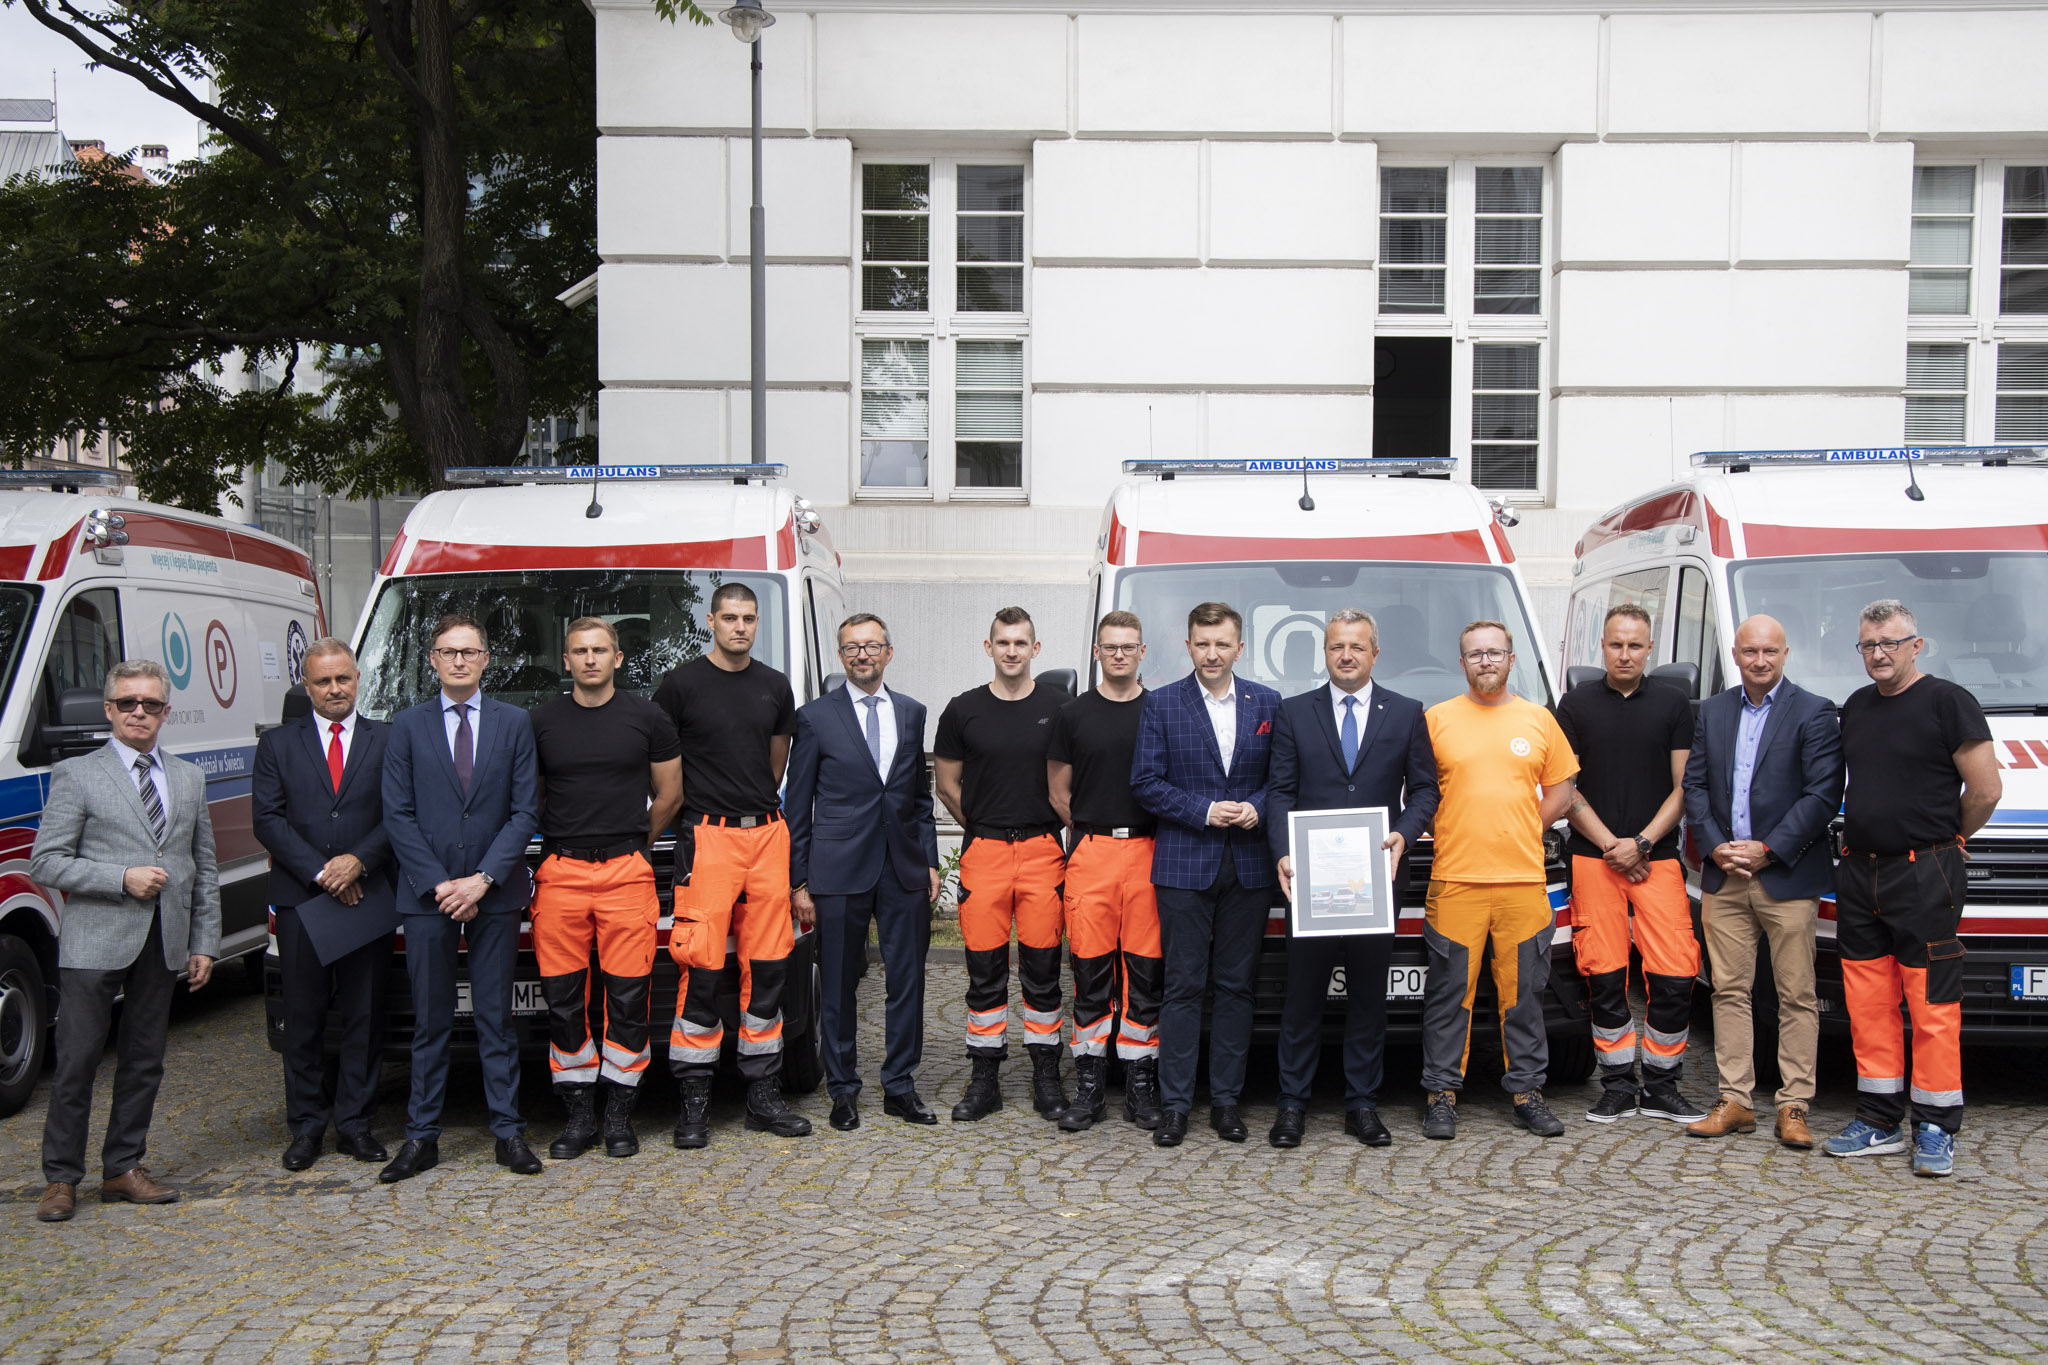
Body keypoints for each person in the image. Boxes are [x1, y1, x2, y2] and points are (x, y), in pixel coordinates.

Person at [33, 660, 218, 1223]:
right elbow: (47, 862)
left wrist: (204, 941)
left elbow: (202, 868)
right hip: (95, 941)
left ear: (166, 712)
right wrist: (121, 877)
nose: (140, 712)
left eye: (151, 704)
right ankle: (61, 1178)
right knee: (76, 1062)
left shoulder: (188, 777)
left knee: (143, 1062)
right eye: (129, 703)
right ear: (109, 709)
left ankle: (123, 1167)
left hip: (163, 941)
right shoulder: (77, 774)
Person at [1824, 599, 2000, 1175]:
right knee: (1868, 1002)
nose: (1879, 654)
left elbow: (1986, 790)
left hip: (1925, 872)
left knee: (1932, 1003)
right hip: (1859, 872)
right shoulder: (1856, 706)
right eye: (1868, 645)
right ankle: (1878, 1120)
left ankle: (1936, 1126)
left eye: (1890, 643)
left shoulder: (1949, 702)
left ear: (1916, 645)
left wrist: (1946, 839)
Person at [379, 614, 542, 1181]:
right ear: (433, 659)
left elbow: (525, 811)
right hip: (428, 896)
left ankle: (508, 1132)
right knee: (430, 1020)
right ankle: (421, 1136)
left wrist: (483, 879)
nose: (458, 661)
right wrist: (440, 883)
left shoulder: (513, 723)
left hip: (494, 894)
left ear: (485, 659)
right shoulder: (407, 726)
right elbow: (397, 814)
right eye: (448, 652)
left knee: (496, 1016)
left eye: (469, 652)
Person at [1266, 610, 1438, 1149]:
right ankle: (1291, 1104)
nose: (1346, 655)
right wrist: (1282, 852)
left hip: (1377, 879)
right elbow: (1280, 792)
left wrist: (1404, 833)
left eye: (1357, 647)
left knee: (1368, 997)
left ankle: (1362, 1104)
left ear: (1375, 654)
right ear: (1325, 653)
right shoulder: (1294, 712)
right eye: (1337, 646)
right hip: (1310, 881)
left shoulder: (1406, 712)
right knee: (1302, 995)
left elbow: (1426, 790)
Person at [654, 582, 811, 1145]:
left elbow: (774, 767)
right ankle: (694, 1100)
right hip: (708, 837)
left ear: (757, 622)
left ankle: (762, 1096)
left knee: (768, 966)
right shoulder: (680, 686)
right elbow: (662, 766)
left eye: (748, 618)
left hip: (766, 836)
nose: (739, 627)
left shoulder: (775, 685)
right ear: (711, 620)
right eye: (729, 618)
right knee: (700, 965)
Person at [1680, 614, 1843, 1149]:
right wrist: (1714, 845)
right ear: (1735, 654)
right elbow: (1695, 785)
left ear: (1785, 654)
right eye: (1750, 651)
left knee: (1796, 994)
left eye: (1770, 651)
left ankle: (1794, 1104)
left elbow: (1823, 794)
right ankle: (1736, 1100)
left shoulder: (1814, 711)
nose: (1760, 660)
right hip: (1725, 875)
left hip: (1787, 875)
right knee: (1728, 991)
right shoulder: (1714, 711)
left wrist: (1769, 850)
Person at [528, 618, 683, 1160]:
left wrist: (636, 843)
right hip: (561, 873)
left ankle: (619, 1114)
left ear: (618, 658)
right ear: (566, 660)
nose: (590, 659)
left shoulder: (648, 717)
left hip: (627, 873)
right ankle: (578, 1116)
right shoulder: (541, 721)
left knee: (628, 998)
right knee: (564, 999)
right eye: (580, 651)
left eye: (599, 650)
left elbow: (670, 794)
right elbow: (533, 798)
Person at [1419, 621, 1577, 1141]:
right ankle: (1441, 1095)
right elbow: (1419, 793)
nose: (1485, 661)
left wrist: (1525, 829)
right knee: (1449, 995)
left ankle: (1527, 1093)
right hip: (1455, 881)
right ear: (1462, 663)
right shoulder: (1436, 720)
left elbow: (1562, 789)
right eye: (1475, 654)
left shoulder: (1539, 719)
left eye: (1494, 652)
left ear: (1511, 659)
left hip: (1522, 883)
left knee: (1523, 995)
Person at [1131, 601, 1280, 1149]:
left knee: (1237, 988)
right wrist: (1204, 810)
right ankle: (1175, 1106)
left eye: (1222, 644)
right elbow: (1145, 782)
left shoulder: (1268, 703)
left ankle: (1226, 1103)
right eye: (1202, 643)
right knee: (1183, 987)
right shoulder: (1162, 703)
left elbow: (1282, 778)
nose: (1212, 654)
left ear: (1240, 647)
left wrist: (1258, 806)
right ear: (1188, 645)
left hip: (1249, 864)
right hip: (1184, 863)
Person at [786, 613, 943, 1131]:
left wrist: (930, 860)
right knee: (837, 984)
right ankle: (843, 1090)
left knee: (908, 980)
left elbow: (919, 799)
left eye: (872, 646)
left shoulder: (913, 712)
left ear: (888, 653)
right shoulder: (814, 717)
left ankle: (900, 1085)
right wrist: (799, 880)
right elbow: (798, 805)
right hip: (837, 870)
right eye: (852, 647)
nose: (862, 655)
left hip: (903, 868)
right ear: (841, 655)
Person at [1555, 605, 1705, 1125]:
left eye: (1635, 645)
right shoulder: (1574, 704)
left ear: (1650, 649)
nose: (1625, 654)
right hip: (1593, 859)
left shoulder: (1673, 703)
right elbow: (1565, 788)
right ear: (1602, 645)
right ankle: (1617, 1084)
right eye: (1616, 644)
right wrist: (1612, 847)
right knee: (1603, 972)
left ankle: (1662, 1085)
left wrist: (1640, 843)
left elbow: (1685, 786)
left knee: (1676, 972)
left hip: (1656, 858)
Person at [250, 639, 394, 1172]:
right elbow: (268, 819)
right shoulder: (277, 745)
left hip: (368, 896)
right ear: (306, 686)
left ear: (357, 679)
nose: (335, 689)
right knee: (303, 1018)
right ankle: (307, 1126)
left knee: (364, 1016)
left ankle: (355, 1124)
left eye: (343, 679)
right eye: (323, 681)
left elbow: (401, 812)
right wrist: (323, 872)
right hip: (302, 900)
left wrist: (359, 861)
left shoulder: (389, 739)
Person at [934, 606, 1071, 1122]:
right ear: (988, 648)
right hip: (985, 851)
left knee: (1043, 972)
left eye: (1020, 643)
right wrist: (983, 825)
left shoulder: (1060, 707)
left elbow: (1072, 780)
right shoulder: (962, 710)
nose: (1011, 651)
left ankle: (1046, 1076)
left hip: (1042, 850)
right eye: (1003, 642)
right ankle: (984, 1078)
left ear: (1035, 649)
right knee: (985, 972)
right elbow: (946, 785)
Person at [1047, 610, 1162, 1132]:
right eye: (1110, 646)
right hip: (1091, 852)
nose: (1119, 654)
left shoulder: (1161, 709)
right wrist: (1093, 829)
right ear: (1097, 652)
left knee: (1144, 974)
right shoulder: (1072, 715)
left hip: (1150, 852)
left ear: (1142, 652)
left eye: (1128, 646)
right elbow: (1058, 791)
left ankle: (1140, 1085)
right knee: (1091, 972)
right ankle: (1089, 1086)